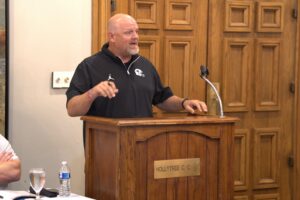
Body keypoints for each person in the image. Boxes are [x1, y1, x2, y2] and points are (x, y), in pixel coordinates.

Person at [66, 13, 207, 118]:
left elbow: (162, 99)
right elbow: (72, 109)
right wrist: (93, 93)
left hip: (143, 144)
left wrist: (183, 103)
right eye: (128, 32)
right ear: (112, 37)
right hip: (106, 148)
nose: (136, 37)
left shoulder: (145, 65)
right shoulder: (90, 66)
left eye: (136, 32)